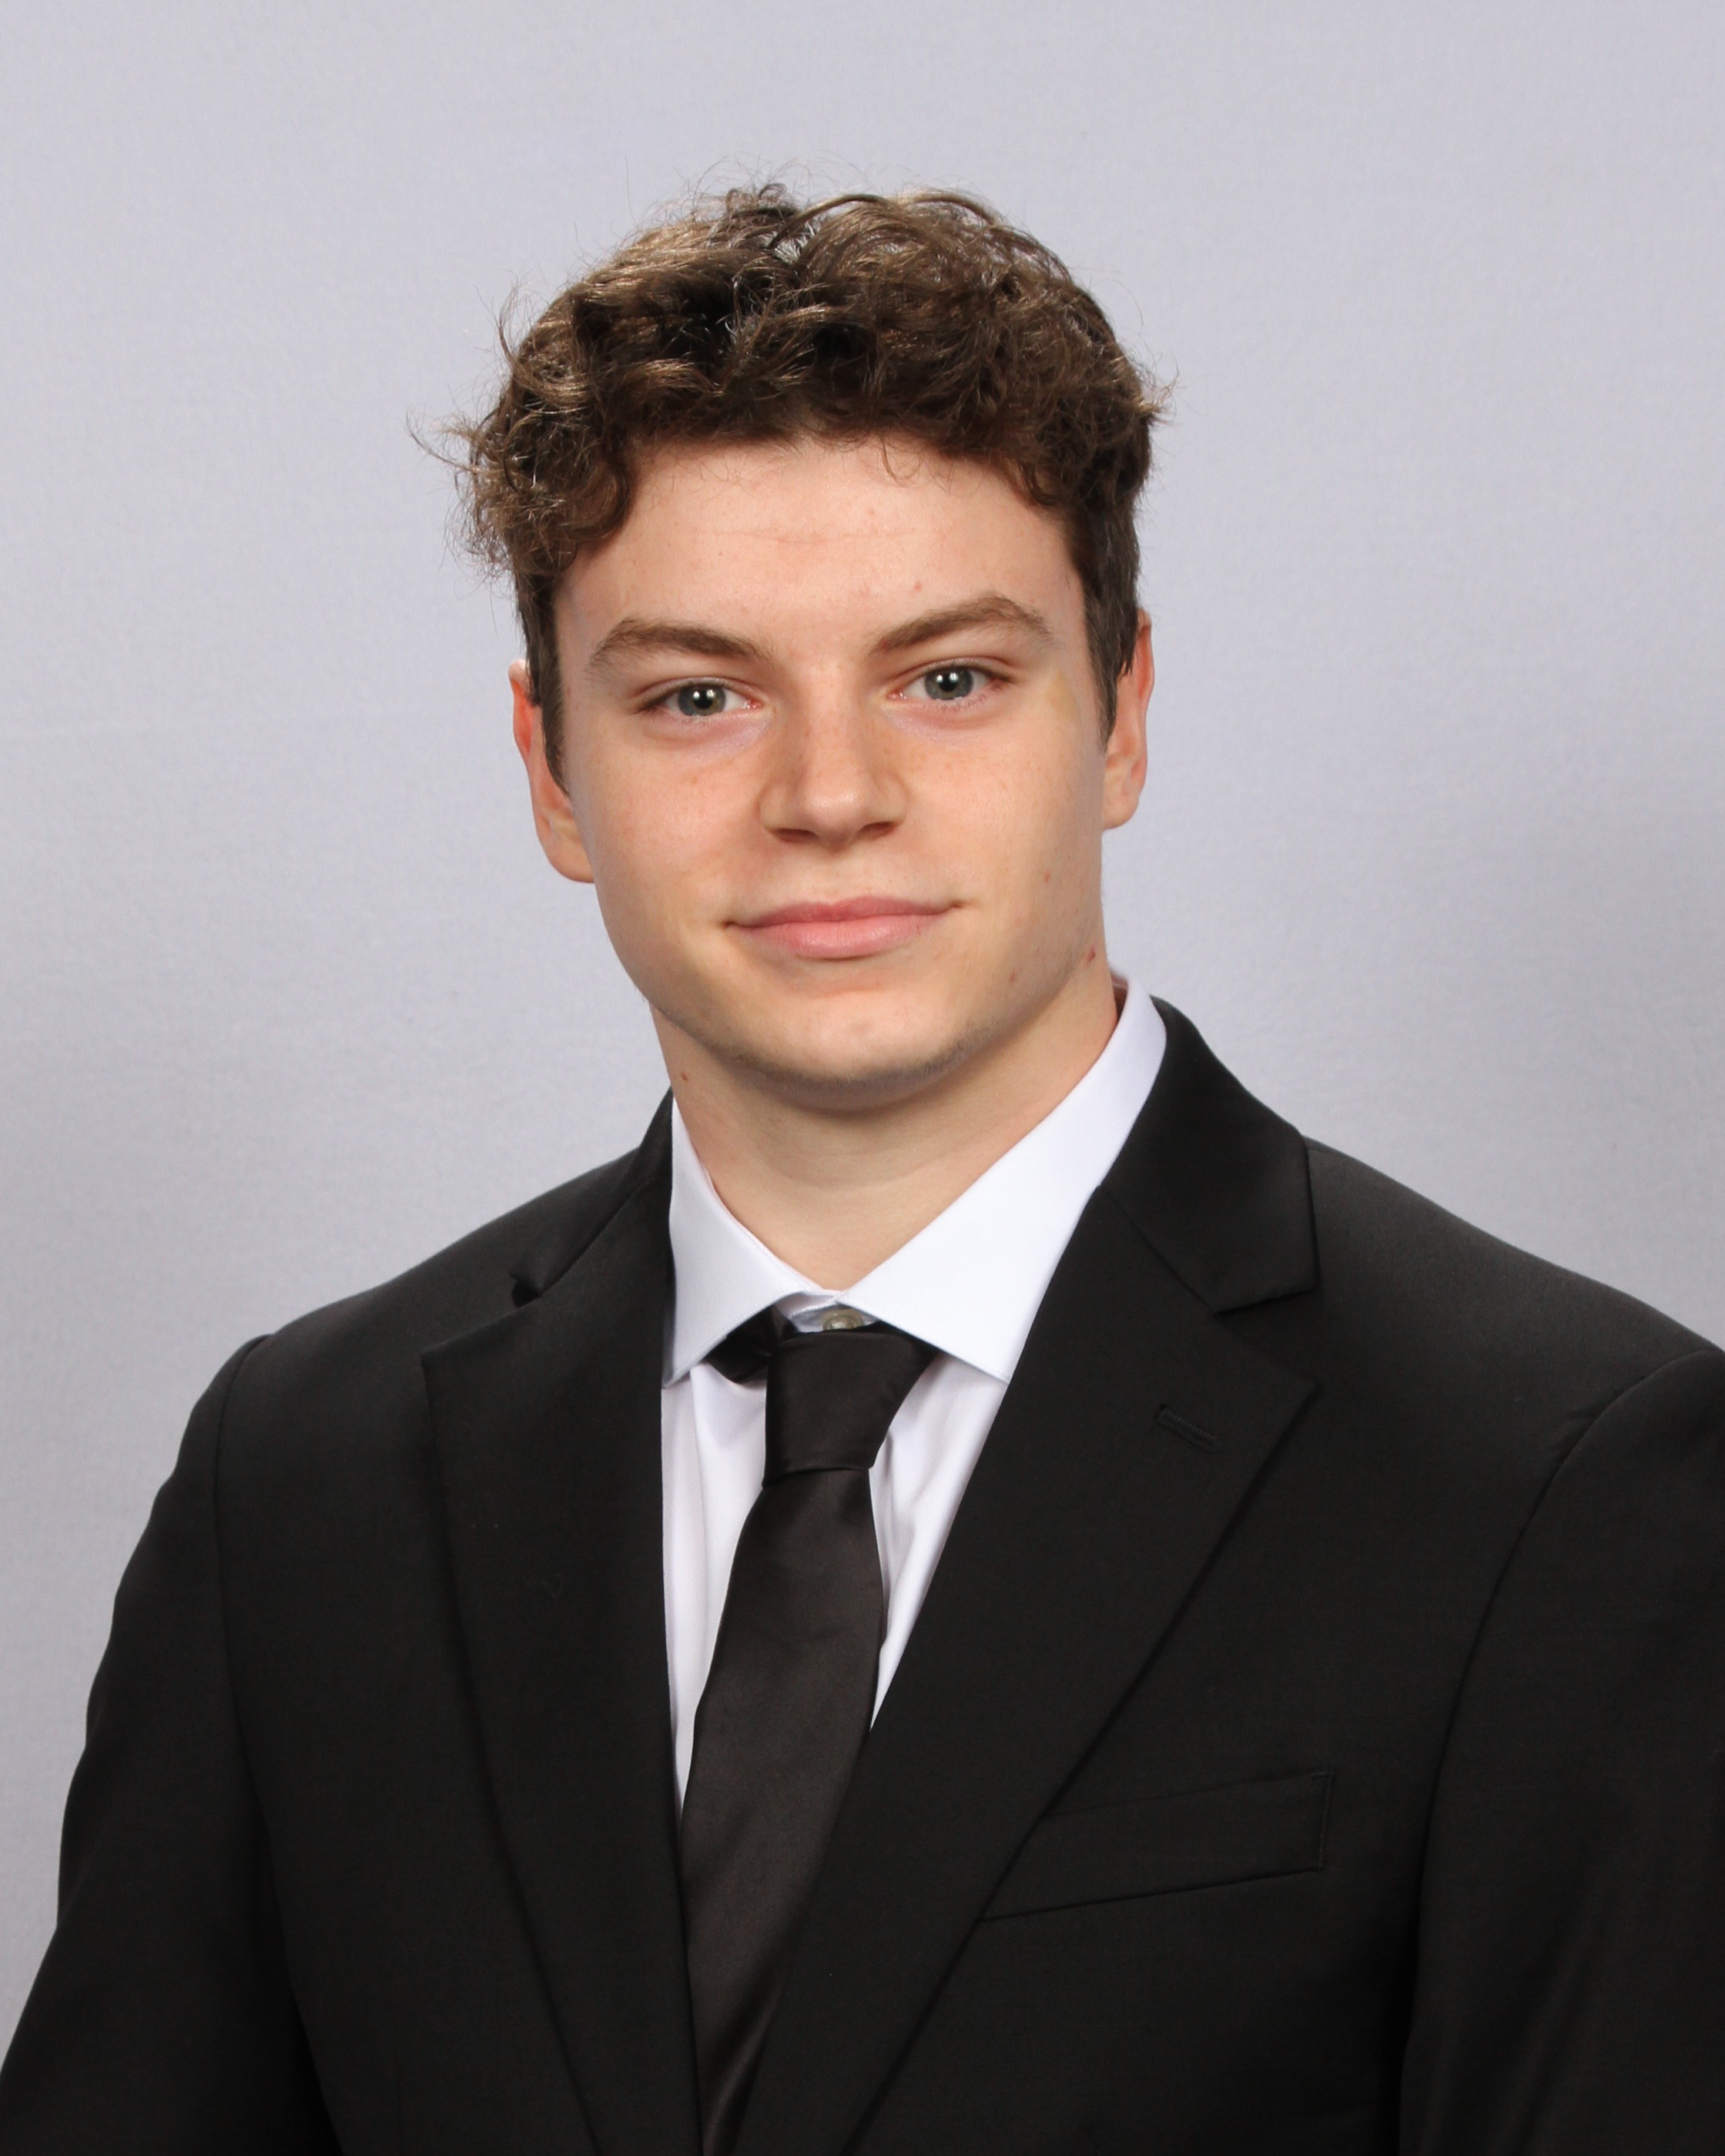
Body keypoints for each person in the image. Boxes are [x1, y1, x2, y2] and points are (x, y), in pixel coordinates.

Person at [1, 185, 1721, 2156]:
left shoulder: (1560, 1475)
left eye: (949, 678)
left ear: (1121, 716)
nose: (829, 795)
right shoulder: (304, 1478)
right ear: (552, 768)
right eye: (699, 696)